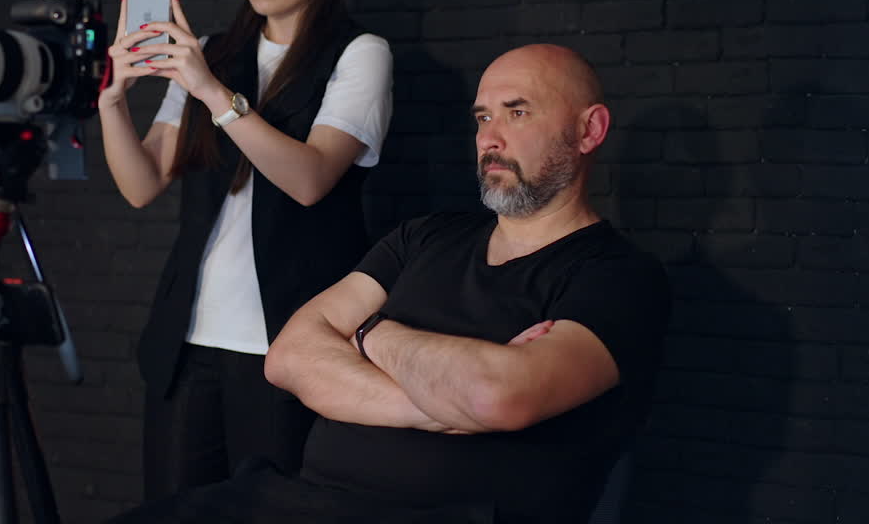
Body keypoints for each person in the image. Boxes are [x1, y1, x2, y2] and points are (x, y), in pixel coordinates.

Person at [107, 43, 672, 524]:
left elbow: (494, 395)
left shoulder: (619, 277)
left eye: (517, 113)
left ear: (589, 130)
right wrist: (437, 403)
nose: (489, 138)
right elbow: (289, 356)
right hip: (298, 502)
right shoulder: (427, 238)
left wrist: (369, 335)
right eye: (481, 118)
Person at [97, 0, 394, 499]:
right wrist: (113, 100)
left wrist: (211, 91)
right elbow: (141, 183)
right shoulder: (211, 50)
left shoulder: (359, 54)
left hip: (290, 345)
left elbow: (311, 178)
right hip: (188, 342)